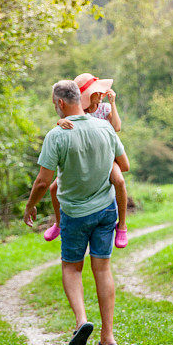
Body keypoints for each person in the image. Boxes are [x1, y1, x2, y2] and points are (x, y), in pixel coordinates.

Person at [23, 79, 130, 345]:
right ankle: (108, 336)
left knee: (72, 267)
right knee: (102, 268)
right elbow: (123, 164)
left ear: (60, 103)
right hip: (106, 210)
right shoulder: (105, 127)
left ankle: (82, 320)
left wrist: (30, 205)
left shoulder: (57, 135)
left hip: (73, 214)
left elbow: (43, 182)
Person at [44, 73, 128, 248]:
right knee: (54, 188)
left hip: (105, 154)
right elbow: (68, 121)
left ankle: (122, 225)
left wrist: (112, 104)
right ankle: (59, 223)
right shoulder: (78, 111)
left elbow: (117, 127)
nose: (101, 95)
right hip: (85, 154)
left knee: (119, 180)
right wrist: (60, 122)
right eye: (98, 93)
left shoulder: (104, 108)